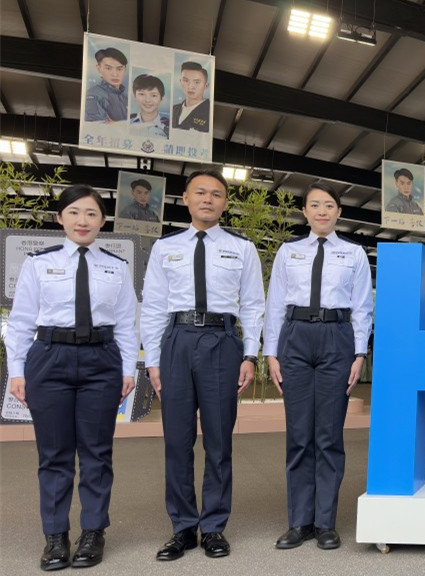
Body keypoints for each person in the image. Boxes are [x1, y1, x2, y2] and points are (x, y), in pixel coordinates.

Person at [5, 185, 137, 571]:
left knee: (97, 452)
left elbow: (127, 324)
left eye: (92, 213)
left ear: (103, 221)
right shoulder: (38, 263)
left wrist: (128, 369)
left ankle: (93, 532)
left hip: (102, 360)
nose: (83, 221)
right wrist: (17, 371)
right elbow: (21, 322)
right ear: (60, 217)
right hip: (49, 359)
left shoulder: (116, 266)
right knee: (54, 454)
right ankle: (55, 536)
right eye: (75, 212)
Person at [140, 169, 265, 561]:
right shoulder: (165, 248)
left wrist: (250, 355)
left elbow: (254, 304)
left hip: (222, 342)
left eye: (216, 194)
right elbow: (153, 306)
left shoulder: (241, 248)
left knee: (218, 441)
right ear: (186, 198)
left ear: (225, 202)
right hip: (176, 342)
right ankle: (182, 528)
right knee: (177, 441)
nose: (208, 199)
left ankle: (213, 527)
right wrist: (153, 361)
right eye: (200, 192)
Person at [263, 182, 372, 551]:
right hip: (295, 337)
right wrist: (271, 352)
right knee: (299, 434)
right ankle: (299, 522)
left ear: (339, 212)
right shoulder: (288, 252)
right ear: (305, 212)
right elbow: (275, 303)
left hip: (336, 338)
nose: (322, 211)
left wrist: (358, 353)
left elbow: (362, 307)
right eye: (314, 205)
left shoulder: (354, 254)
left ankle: (325, 522)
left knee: (328, 435)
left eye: (328, 205)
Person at [84, 48, 128, 123]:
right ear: (99, 69)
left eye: (119, 69)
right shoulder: (93, 95)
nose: (115, 74)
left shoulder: (125, 97)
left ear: (125, 70)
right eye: (108, 68)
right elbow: (96, 126)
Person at [172, 62, 211, 133]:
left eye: (197, 82)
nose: (190, 86)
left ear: (206, 85)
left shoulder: (210, 111)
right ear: (180, 82)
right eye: (186, 80)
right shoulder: (173, 109)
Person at [129, 74, 170, 139]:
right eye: (142, 94)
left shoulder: (169, 126)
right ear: (135, 96)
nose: (147, 100)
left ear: (161, 98)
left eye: (153, 95)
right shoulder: (126, 122)